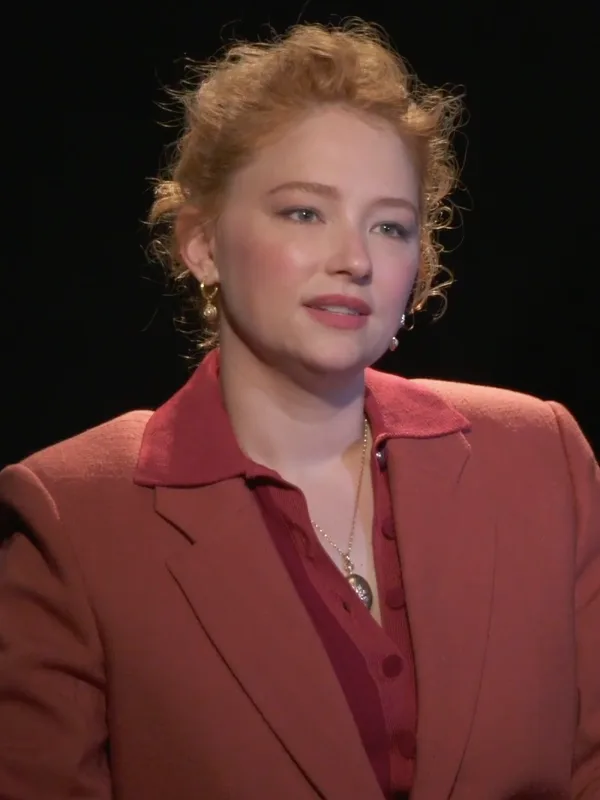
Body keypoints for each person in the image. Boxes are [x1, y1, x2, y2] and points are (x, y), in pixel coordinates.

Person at [0, 20, 598, 800]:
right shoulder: (74, 515)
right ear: (202, 244)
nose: (354, 259)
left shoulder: (540, 456)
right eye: (304, 213)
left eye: (390, 226)